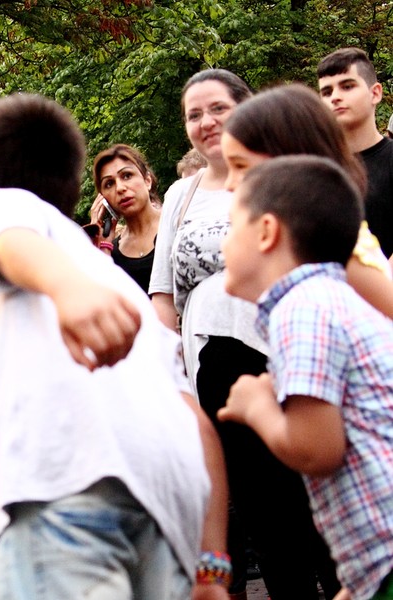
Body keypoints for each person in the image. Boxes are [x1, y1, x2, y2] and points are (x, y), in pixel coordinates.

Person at [0, 92, 233, 599]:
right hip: (171, 509)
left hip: (67, 493)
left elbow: (9, 236)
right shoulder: (126, 290)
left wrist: (68, 290)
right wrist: (213, 566)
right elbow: (198, 424)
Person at [150, 69, 339, 600]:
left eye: (217, 108)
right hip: (212, 366)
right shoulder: (181, 196)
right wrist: (173, 377)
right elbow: (163, 294)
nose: (206, 122)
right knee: (265, 512)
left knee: (319, 501)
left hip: (287, 355)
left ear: (246, 108)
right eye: (194, 114)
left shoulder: (286, 177)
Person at [218, 155, 393, 600]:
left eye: (230, 227)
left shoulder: (301, 309)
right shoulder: (331, 298)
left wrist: (256, 407)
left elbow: (318, 449)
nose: (221, 246)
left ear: (266, 232)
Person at [222, 83, 393, 319]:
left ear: (289, 159)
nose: (229, 184)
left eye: (240, 166)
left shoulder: (337, 246)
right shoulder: (297, 235)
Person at [318, 47, 393, 257]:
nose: (335, 97)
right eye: (327, 92)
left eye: (347, 86)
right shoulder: (314, 168)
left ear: (375, 93)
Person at [90, 144, 162, 292]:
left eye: (127, 176)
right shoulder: (111, 251)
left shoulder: (177, 225)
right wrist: (100, 244)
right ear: (103, 199)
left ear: (147, 180)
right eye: (109, 183)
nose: (120, 188)